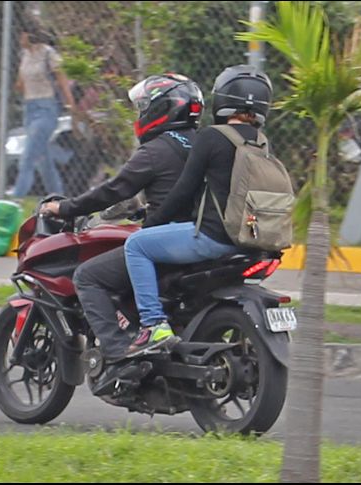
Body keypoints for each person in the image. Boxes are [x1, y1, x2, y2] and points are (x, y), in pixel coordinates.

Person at [40, 73, 204, 363]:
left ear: (163, 108)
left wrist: (65, 208)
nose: (141, 113)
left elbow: (113, 190)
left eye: (144, 106)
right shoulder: (204, 144)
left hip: (168, 245)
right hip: (202, 237)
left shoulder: (157, 150)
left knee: (88, 276)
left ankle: (117, 351)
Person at [122, 65, 274, 357]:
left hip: (214, 237)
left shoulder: (211, 137)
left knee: (137, 246)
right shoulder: (262, 142)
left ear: (222, 98)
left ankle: (153, 325)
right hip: (249, 239)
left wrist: (151, 224)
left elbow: (183, 191)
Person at [7, 22, 77, 198]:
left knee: (27, 158)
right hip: (29, 109)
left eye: (21, 34)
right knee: (43, 161)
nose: (19, 39)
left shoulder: (48, 54)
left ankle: (15, 201)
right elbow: (20, 83)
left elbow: (62, 82)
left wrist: (72, 107)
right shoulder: (25, 55)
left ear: (29, 35)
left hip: (46, 110)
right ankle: (60, 198)